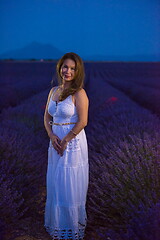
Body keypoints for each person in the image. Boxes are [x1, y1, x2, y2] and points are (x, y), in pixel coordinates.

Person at [44, 52, 89, 240]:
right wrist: (51, 135)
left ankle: (70, 228)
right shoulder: (53, 91)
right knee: (56, 181)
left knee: (69, 183)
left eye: (72, 68)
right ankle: (58, 225)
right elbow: (47, 117)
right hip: (55, 140)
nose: (67, 71)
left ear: (77, 71)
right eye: (65, 67)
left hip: (72, 143)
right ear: (60, 67)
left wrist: (66, 140)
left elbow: (83, 121)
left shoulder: (79, 93)